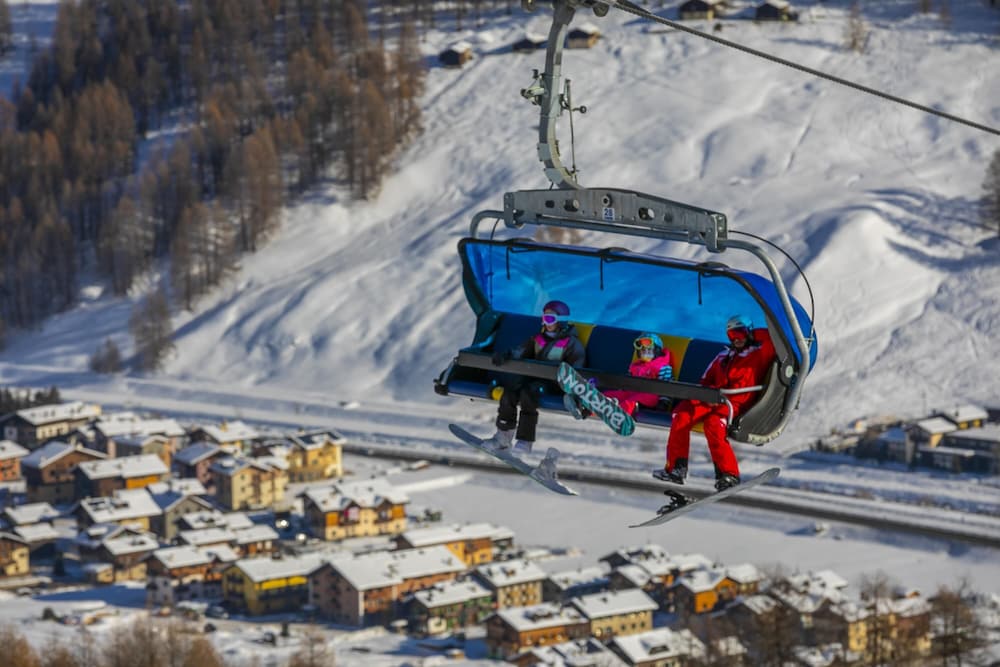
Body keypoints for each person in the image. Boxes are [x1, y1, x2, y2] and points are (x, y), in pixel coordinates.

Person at [654, 314, 775, 491]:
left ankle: (728, 475)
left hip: (734, 402)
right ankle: (676, 469)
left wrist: (753, 333)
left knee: (714, 425)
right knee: (681, 415)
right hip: (711, 397)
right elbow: (706, 378)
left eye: (740, 333)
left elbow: (773, 338)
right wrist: (704, 394)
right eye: (732, 335)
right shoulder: (724, 355)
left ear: (749, 332)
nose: (736, 339)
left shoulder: (759, 354)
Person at [485, 300, 586, 455]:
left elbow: (577, 367)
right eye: (545, 318)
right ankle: (503, 435)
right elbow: (520, 351)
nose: (547, 323)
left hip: (553, 384)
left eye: (551, 319)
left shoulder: (571, 343)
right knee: (510, 391)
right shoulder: (538, 339)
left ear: (561, 321)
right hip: (534, 377)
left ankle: (525, 440)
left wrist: (571, 388)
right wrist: (506, 355)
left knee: (528, 395)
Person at [586, 332, 674, 418]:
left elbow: (666, 387)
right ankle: (594, 407)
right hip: (631, 392)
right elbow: (626, 382)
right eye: (642, 349)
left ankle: (620, 413)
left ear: (657, 350)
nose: (644, 351)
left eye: (648, 349)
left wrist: (663, 403)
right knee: (609, 394)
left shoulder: (662, 367)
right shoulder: (635, 366)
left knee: (633, 400)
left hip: (649, 395)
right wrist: (620, 390)